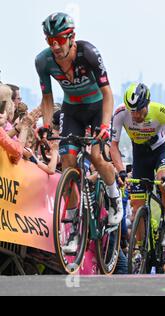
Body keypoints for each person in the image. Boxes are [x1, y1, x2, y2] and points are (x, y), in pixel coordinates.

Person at [35, 12, 123, 253]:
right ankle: (74, 228)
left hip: (97, 108)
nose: (55, 45)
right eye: (50, 40)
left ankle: (114, 197)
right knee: (69, 163)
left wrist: (105, 127)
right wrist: (45, 127)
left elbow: (108, 94)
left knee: (96, 155)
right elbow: (47, 97)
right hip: (72, 110)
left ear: (71, 37)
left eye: (60, 39)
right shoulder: (43, 62)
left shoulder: (89, 53)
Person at [110, 82, 165, 247]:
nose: (135, 115)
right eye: (131, 111)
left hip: (160, 150)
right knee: (136, 206)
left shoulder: (160, 112)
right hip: (139, 154)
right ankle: (141, 249)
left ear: (147, 104)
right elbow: (113, 146)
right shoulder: (120, 113)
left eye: (139, 110)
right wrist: (121, 171)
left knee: (163, 182)